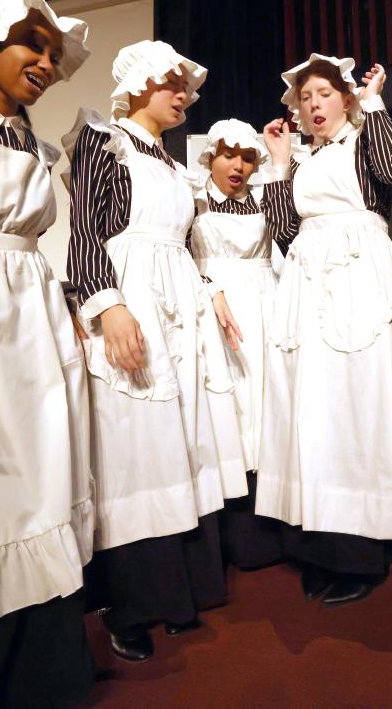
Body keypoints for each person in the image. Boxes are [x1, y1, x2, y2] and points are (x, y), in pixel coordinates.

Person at [65, 40, 246, 662]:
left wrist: (207, 290)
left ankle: (182, 590)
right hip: (132, 294)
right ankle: (130, 601)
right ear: (139, 80)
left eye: (187, 89)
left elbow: (186, 244)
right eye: (172, 83)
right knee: (133, 442)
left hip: (180, 303)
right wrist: (105, 304)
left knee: (181, 437)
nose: (183, 96)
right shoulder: (102, 140)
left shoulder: (172, 165)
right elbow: (86, 230)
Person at [0, 0, 96, 705]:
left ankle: (40, 674)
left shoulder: (34, 139)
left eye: (51, 51)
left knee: (39, 487)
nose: (44, 59)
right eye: (30, 43)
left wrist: (66, 310)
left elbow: (40, 243)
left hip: (29, 320)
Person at [257, 53, 392, 606]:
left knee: (357, 406)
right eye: (305, 97)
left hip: (357, 275)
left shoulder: (363, 137)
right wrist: (278, 163)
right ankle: (317, 543)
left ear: (344, 99)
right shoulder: (301, 160)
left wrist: (374, 103)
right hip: (305, 276)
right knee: (311, 409)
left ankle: (361, 552)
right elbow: (282, 231)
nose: (313, 104)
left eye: (324, 93)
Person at [189, 118, 282, 570]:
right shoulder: (191, 197)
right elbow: (177, 257)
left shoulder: (264, 200)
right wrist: (208, 287)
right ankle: (226, 528)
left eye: (247, 157)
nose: (238, 165)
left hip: (263, 307)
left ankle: (265, 527)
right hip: (211, 309)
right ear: (210, 156)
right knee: (223, 408)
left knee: (262, 402)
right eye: (229, 155)